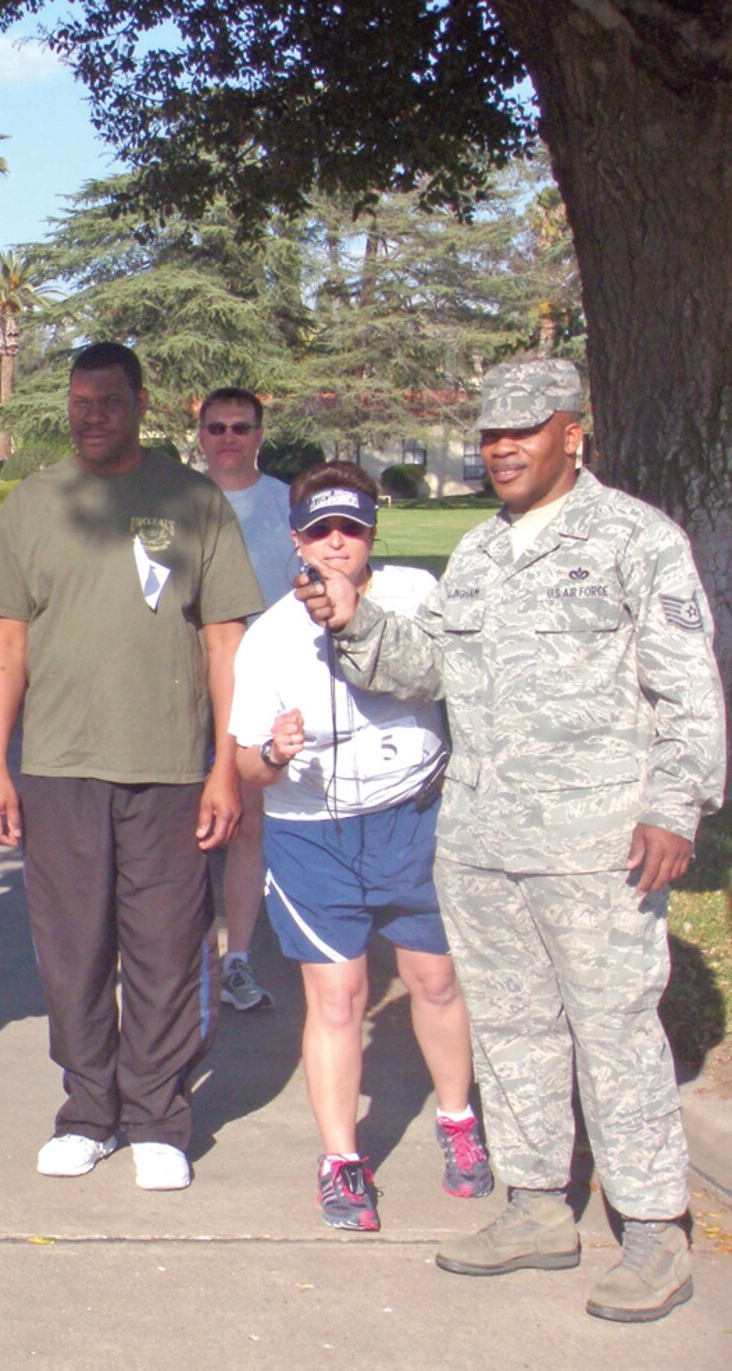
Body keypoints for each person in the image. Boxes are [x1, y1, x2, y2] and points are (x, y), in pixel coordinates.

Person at [298, 358, 724, 1322]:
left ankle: (654, 1228)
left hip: (599, 840)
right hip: (484, 836)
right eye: (490, 434)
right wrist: (356, 618)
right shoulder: (482, 555)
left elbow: (687, 687)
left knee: (613, 1028)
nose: (501, 449)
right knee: (516, 1028)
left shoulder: (635, 540)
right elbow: (428, 664)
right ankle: (537, 1206)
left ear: (574, 432)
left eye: (524, 431)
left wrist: (676, 805)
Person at [0, 342, 261, 1192]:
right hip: (61, 765)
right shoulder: (34, 504)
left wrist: (224, 765)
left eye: (106, 399)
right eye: (78, 400)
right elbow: (5, 642)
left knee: (168, 948)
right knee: (71, 949)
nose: (90, 413)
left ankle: (158, 1116)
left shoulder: (191, 499)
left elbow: (224, 638)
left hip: (172, 768)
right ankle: (88, 1111)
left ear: (142, 402)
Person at [230, 463, 492, 1231]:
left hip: (414, 816)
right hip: (314, 833)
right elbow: (246, 763)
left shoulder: (414, 595)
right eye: (320, 530)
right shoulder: (270, 635)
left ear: (373, 532)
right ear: (297, 537)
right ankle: (341, 1158)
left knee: (434, 979)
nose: (336, 543)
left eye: (351, 528)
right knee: (337, 998)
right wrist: (274, 753)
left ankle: (457, 1121)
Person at [198, 387, 296, 1013]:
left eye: (241, 427)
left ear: (260, 434)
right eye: (216, 428)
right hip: (184, 682)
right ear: (200, 435)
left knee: (248, 826)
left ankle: (238, 958)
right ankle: (186, 957)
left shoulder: (288, 506)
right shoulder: (175, 502)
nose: (228, 438)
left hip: (261, 682)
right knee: (185, 825)